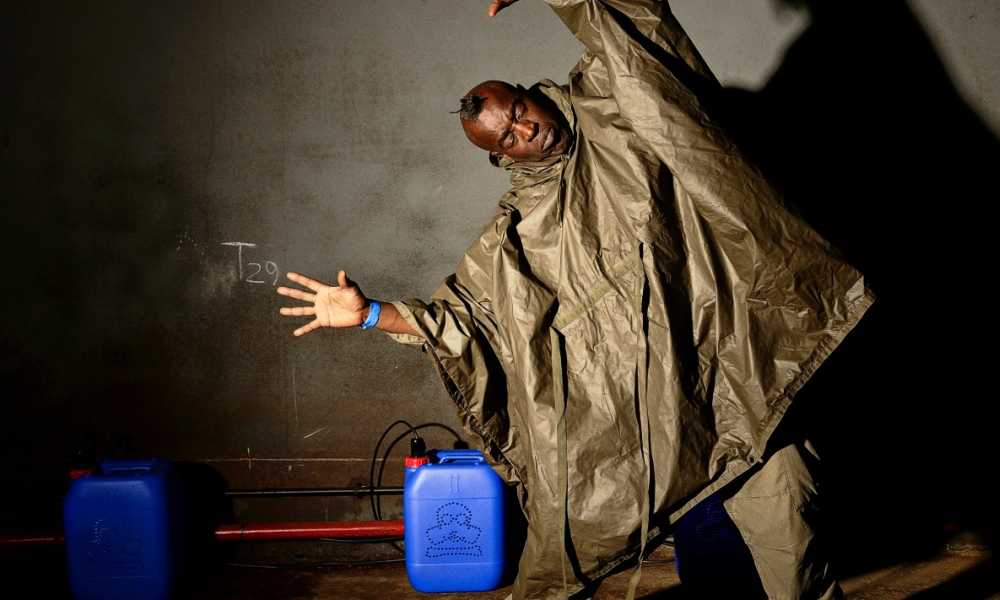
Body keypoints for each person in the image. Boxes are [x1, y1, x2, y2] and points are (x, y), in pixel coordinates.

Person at [277, 1, 872, 598]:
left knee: (794, 539)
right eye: (509, 136)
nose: (526, 130)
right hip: (672, 419)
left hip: (742, 371)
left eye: (520, 112)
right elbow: (460, 319)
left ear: (529, 92)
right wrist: (370, 314)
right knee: (706, 565)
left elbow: (636, 38)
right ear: (500, 156)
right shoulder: (515, 237)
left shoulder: (611, 103)